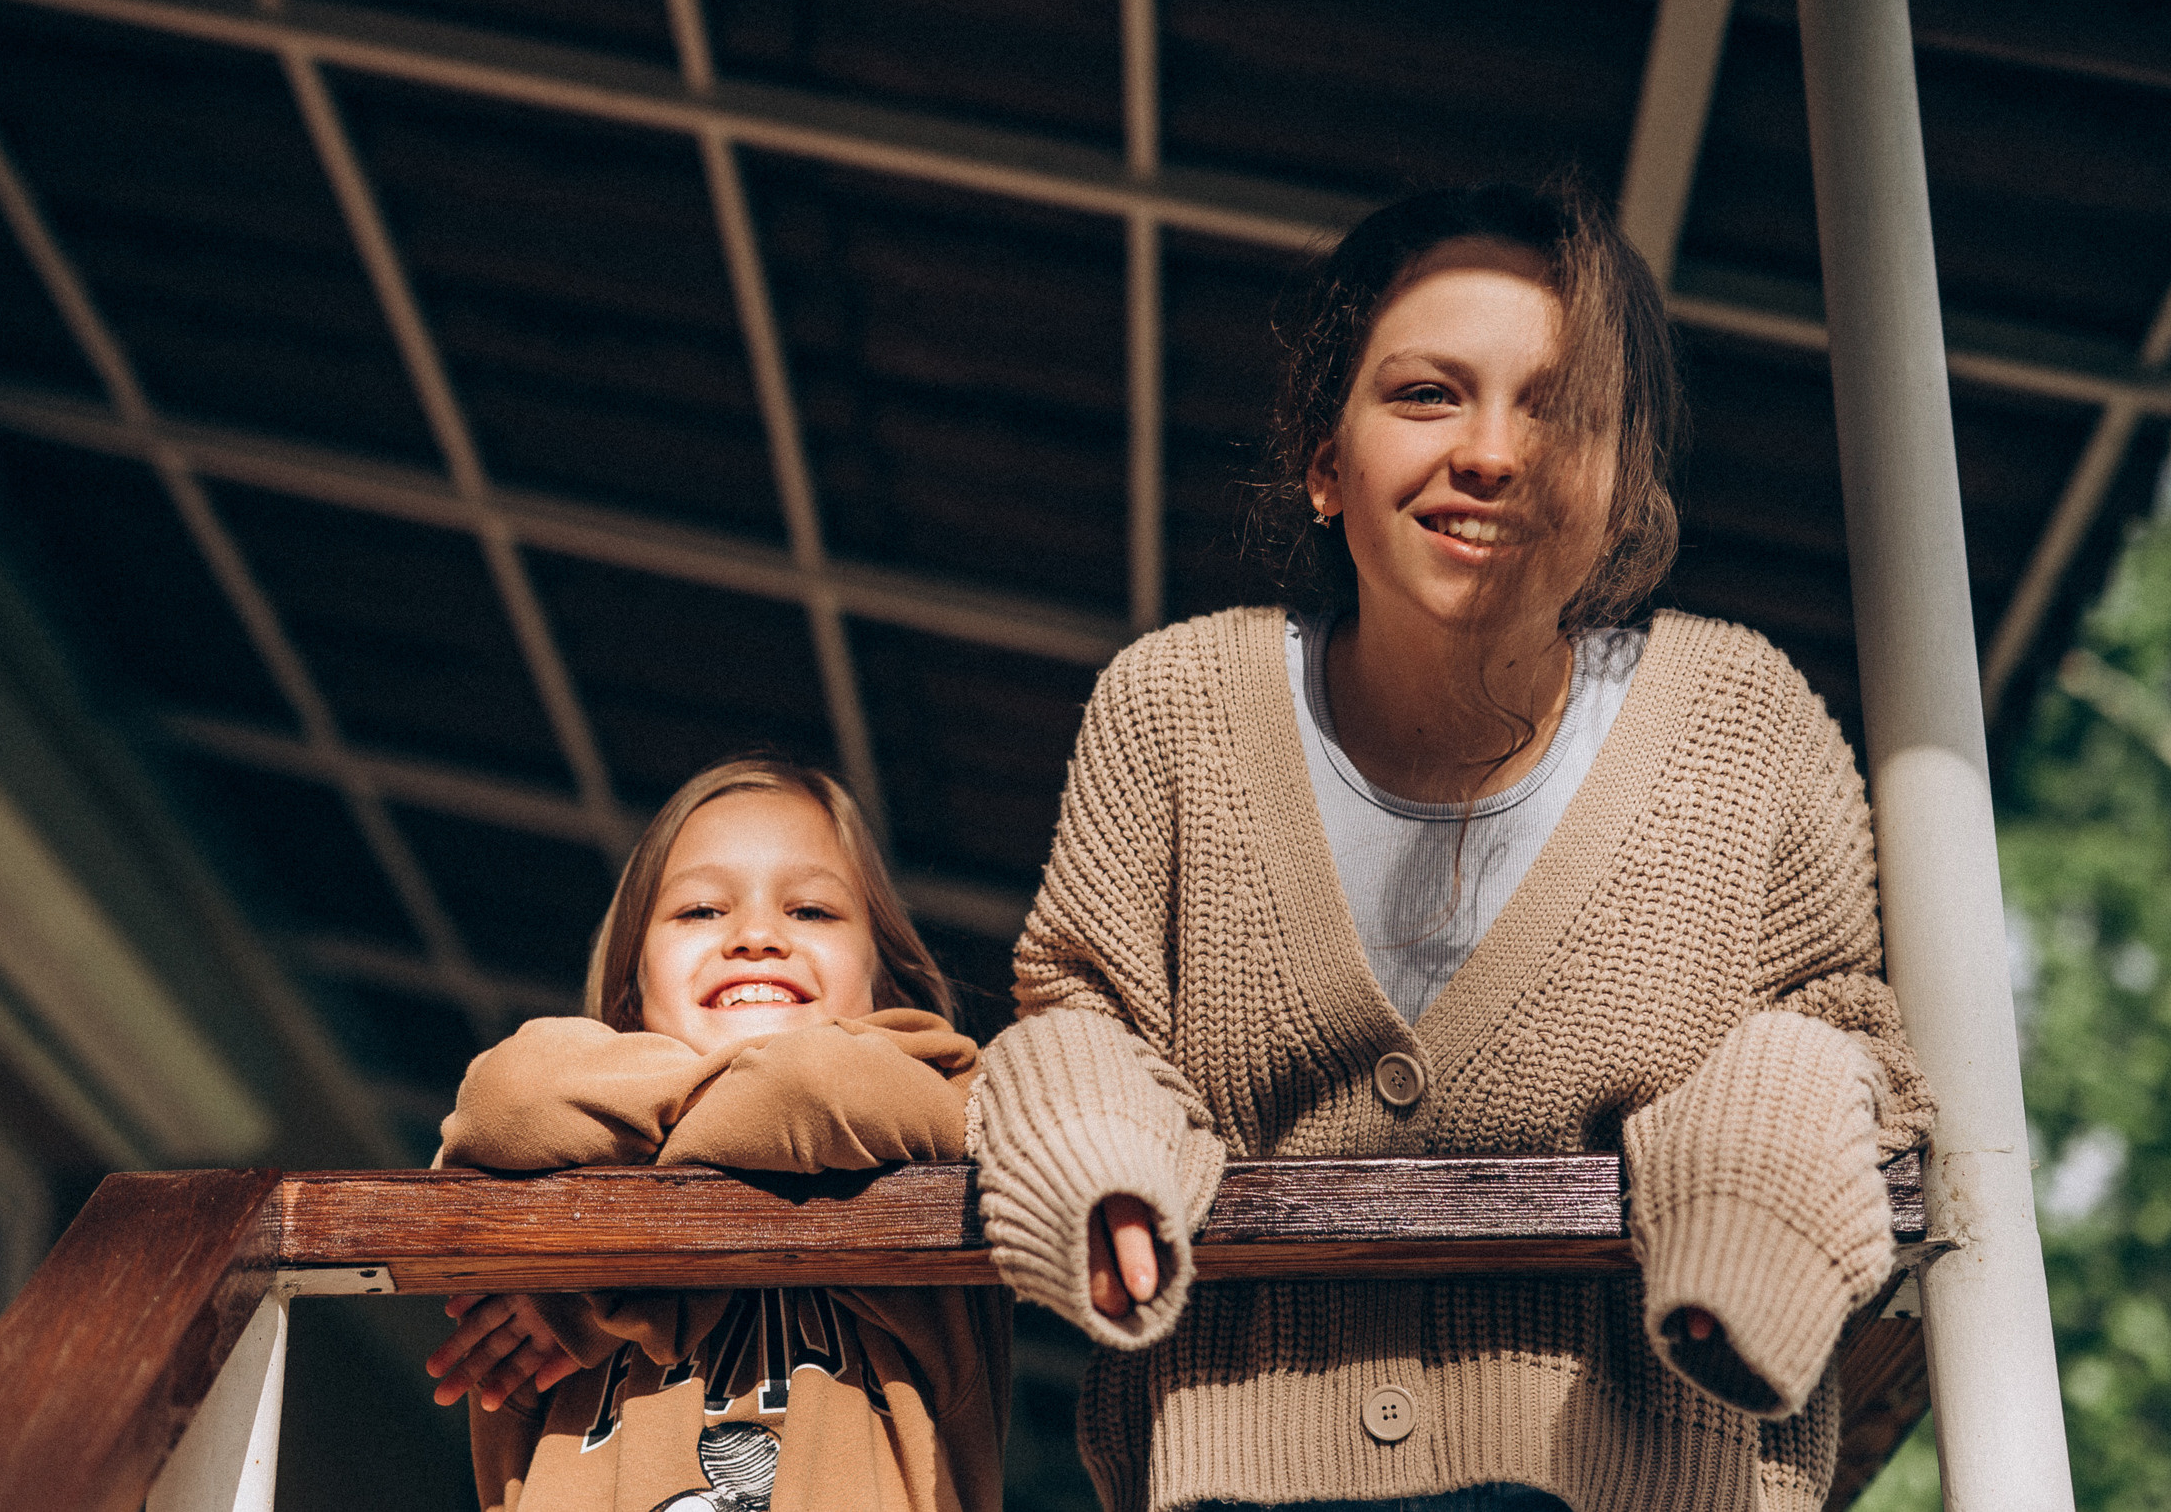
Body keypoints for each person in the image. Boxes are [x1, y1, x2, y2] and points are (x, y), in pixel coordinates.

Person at [967, 183, 1935, 1512]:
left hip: (1640, 1481)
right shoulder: (1172, 709)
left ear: (1622, 489)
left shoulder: (1742, 721)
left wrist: (1748, 1220)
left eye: (1558, 408)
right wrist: (1093, 1161)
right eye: (1428, 394)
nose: (1492, 452)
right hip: (1241, 1483)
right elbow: (1080, 1011)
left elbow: (1845, 1040)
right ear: (1325, 459)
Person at [426, 757, 1008, 1512]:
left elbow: (811, 1086)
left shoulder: (944, 1099)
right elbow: (504, 1098)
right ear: (630, 997)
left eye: (813, 911)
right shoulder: (559, 1122)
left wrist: (595, 1283)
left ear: (885, 984)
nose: (757, 934)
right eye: (701, 910)